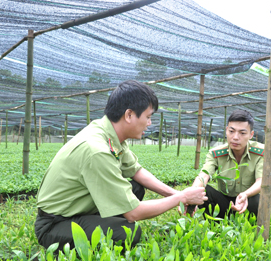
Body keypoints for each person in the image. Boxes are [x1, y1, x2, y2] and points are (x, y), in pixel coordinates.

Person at [34, 80, 207, 251]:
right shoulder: (97, 151)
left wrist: (175, 193)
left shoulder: (108, 132)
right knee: (128, 233)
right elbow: (134, 213)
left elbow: (136, 170)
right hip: (54, 225)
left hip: (80, 210)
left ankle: (101, 222)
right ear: (129, 115)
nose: (149, 123)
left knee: (136, 187)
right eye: (147, 117)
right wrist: (181, 198)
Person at [188, 110, 263, 219]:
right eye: (232, 131)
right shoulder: (216, 153)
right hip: (224, 203)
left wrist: (245, 194)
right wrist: (190, 196)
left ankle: (249, 223)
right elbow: (203, 176)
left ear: (251, 134)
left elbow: (261, 181)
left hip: (248, 201)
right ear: (227, 130)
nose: (235, 137)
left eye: (242, 133)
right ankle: (216, 222)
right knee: (202, 190)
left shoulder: (261, 152)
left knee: (257, 199)